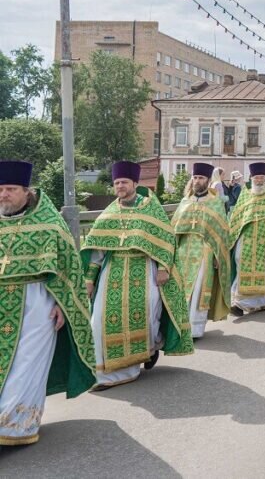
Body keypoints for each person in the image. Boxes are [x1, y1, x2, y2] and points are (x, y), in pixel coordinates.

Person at [0, 160, 95, 446]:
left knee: (27, 364)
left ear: (26, 191)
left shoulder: (50, 223)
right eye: (0, 189)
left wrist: (62, 304)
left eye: (10, 189)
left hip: (37, 303)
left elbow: (70, 269)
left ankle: (13, 427)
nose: (4, 195)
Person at [82, 161, 193, 389]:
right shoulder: (110, 212)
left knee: (145, 319)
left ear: (134, 183)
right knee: (99, 321)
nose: (120, 186)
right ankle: (104, 372)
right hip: (112, 274)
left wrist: (163, 269)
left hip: (143, 270)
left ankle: (144, 353)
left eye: (124, 182)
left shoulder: (150, 208)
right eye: (116, 183)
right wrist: (89, 280)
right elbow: (96, 250)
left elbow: (166, 240)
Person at [171, 162, 231, 339]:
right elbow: (174, 227)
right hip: (183, 250)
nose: (197, 181)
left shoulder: (215, 202)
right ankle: (180, 325)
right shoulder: (185, 201)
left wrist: (218, 255)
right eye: (195, 177)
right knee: (181, 287)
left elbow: (221, 231)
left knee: (198, 288)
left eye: (201, 178)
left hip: (205, 250)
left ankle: (195, 329)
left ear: (208, 180)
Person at [229, 163, 265, 315]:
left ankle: (262, 302)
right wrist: (233, 237)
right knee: (240, 261)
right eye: (256, 178)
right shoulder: (245, 195)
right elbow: (236, 218)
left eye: (262, 177)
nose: (259, 180)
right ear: (251, 178)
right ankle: (239, 302)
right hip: (246, 237)